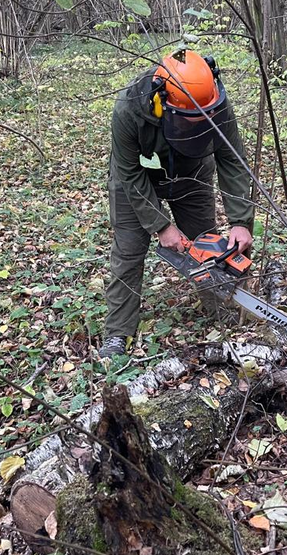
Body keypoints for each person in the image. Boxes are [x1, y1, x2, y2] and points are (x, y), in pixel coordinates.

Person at [100, 49, 254, 358]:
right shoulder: (129, 109)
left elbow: (232, 160)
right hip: (136, 177)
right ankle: (119, 332)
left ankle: (222, 309)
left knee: (205, 242)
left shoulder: (215, 102)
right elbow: (129, 173)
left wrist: (240, 220)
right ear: (164, 102)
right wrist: (161, 225)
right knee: (129, 251)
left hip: (191, 169)